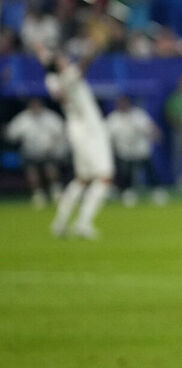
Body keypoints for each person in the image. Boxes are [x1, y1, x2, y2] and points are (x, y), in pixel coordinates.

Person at [39, 49, 114, 239]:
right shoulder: (66, 76)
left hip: (77, 129)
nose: (66, 59)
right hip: (90, 130)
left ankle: (60, 223)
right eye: (62, 58)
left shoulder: (52, 81)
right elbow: (82, 66)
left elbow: (49, 66)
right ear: (59, 65)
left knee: (83, 179)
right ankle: (84, 223)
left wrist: (43, 53)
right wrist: (94, 46)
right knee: (104, 177)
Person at [4, 96, 66, 207]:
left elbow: (61, 132)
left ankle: (56, 192)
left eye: (38, 106)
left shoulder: (50, 117)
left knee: (50, 169)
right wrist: (7, 130)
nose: (35, 108)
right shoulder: (23, 119)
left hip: (48, 151)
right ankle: (38, 195)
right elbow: (11, 135)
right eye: (33, 106)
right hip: (30, 152)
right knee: (32, 172)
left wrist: (54, 146)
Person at [105, 94, 167, 206]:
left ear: (129, 103)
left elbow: (151, 128)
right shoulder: (113, 119)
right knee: (124, 171)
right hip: (124, 153)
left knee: (150, 170)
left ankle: (157, 191)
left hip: (140, 150)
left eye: (124, 103)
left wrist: (157, 135)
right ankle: (127, 192)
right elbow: (106, 136)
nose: (122, 105)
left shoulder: (138, 115)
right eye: (120, 103)